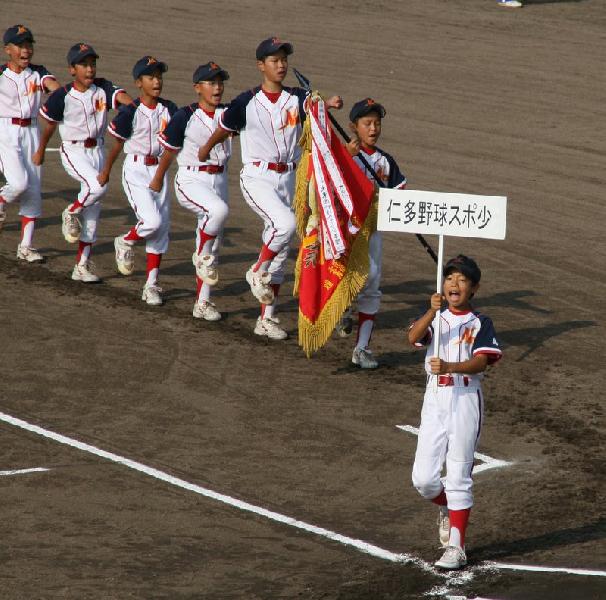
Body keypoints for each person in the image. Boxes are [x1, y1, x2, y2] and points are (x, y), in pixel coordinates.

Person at [197, 37, 343, 339]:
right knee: (285, 225)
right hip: (257, 177)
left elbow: (315, 113)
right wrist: (205, 150)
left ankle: (266, 319)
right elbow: (225, 128)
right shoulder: (245, 101)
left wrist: (327, 105)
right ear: (260, 66)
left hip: (288, 179)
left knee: (281, 248)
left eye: (283, 59)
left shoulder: (298, 97)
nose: (281, 65)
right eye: (274, 60)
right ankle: (256, 269)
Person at [407, 255, 502, 569]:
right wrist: (431, 311)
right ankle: (449, 507)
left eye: (462, 280)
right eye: (450, 278)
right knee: (423, 479)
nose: (454, 284)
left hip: (464, 398)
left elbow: (482, 362)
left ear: (473, 288)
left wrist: (449, 365)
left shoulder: (480, 323)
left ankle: (457, 547)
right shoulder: (436, 318)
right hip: (434, 399)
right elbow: (413, 337)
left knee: (459, 474)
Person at [34, 43, 133, 282]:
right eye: (84, 65)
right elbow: (49, 125)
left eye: (92, 64)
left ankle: (81, 266)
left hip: (97, 150)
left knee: (93, 212)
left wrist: (132, 109)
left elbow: (123, 99)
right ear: (72, 69)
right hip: (73, 150)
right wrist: (40, 150)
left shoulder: (103, 87)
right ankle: (71, 211)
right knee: (97, 188)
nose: (90, 69)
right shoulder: (63, 95)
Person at [152, 61, 231, 320]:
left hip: (219, 181)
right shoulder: (184, 115)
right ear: (197, 88)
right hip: (190, 180)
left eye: (220, 82)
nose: (217, 87)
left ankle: (202, 303)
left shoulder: (228, 114)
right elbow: (169, 152)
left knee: (214, 242)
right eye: (211, 82)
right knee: (217, 212)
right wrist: (158, 179)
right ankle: (201, 254)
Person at [103, 56, 177, 305]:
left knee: (161, 229)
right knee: (152, 221)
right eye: (150, 77)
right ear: (138, 83)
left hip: (160, 171)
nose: (157, 81)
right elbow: (116, 145)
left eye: (159, 76)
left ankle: (152, 285)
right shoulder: (130, 111)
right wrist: (105, 172)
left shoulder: (170, 108)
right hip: (135, 170)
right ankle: (125, 241)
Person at [342, 98, 407, 369]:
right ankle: (341, 309)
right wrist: (347, 157)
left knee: (372, 283)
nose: (373, 128)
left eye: (377, 123)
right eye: (367, 123)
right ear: (353, 126)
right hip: (345, 231)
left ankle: (362, 348)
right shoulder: (343, 155)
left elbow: (400, 194)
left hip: (373, 232)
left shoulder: (385, 160)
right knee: (343, 278)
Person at [0, 24, 60, 262]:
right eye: (21, 46)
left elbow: (54, 87)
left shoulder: (38, 72)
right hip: (5, 131)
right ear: (8, 50)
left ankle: (26, 246)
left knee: (33, 189)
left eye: (29, 45)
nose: (27, 50)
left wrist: (60, 96)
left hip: (32, 131)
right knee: (19, 182)